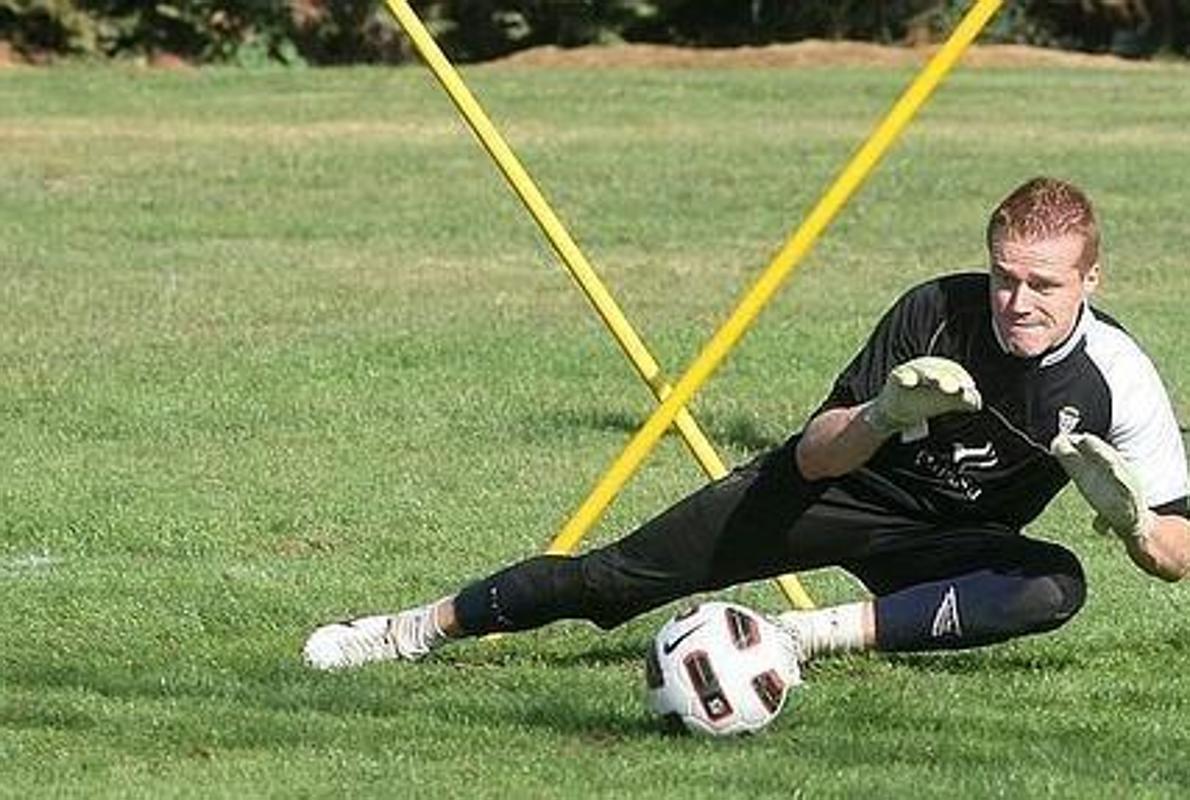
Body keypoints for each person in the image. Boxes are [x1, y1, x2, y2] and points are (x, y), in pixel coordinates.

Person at [302, 176, 1190, 670]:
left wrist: (1134, 523)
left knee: (1053, 585)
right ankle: (411, 629)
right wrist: (885, 413)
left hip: (946, 543)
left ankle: (795, 638)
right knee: (611, 582)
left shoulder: (1121, 378)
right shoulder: (935, 310)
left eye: (1043, 284)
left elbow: (1176, 559)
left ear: (1091, 282)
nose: (1016, 302)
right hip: (839, 492)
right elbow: (810, 458)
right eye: (1004, 276)